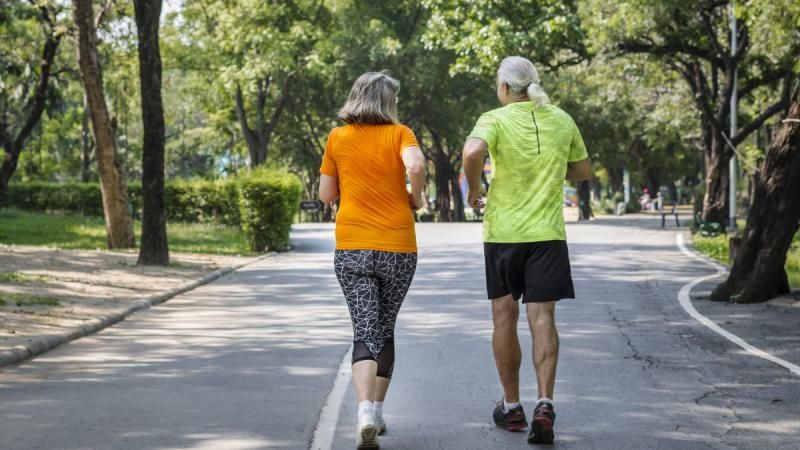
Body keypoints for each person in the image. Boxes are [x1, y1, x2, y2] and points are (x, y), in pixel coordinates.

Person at [461, 56, 591, 445]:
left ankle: (513, 406)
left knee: (504, 317)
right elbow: (582, 170)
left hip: (503, 234)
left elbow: (471, 154)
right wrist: (550, 168)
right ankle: (545, 403)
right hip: (547, 235)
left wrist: (474, 191)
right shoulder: (561, 118)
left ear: (504, 88)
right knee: (543, 318)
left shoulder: (494, 119)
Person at [319, 71, 426, 450]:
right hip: (398, 247)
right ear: (388, 101)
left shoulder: (337, 137)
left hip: (352, 248)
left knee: (365, 328)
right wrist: (417, 197)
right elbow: (414, 166)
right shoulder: (401, 134)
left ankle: (364, 411)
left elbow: (327, 194)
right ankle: (377, 412)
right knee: (385, 325)